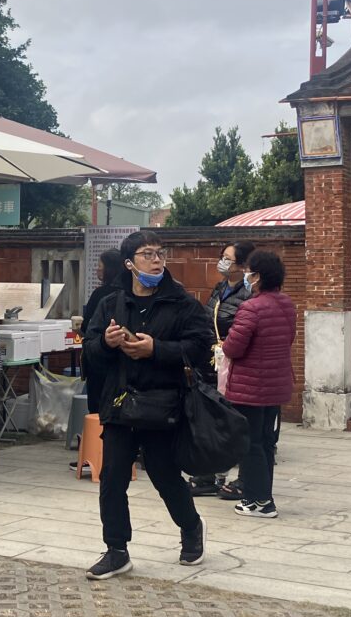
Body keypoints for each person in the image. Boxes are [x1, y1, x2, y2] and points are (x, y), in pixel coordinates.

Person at [82, 230, 213, 580]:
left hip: (162, 404)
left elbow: (201, 347)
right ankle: (116, 550)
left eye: (160, 253)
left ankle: (191, 526)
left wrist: (157, 349)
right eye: (147, 254)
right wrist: (106, 343)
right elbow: (90, 352)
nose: (156, 260)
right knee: (112, 478)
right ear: (129, 263)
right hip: (120, 403)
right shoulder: (111, 303)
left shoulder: (181, 303)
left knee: (164, 475)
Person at [220, 250, 297, 519]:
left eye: (249, 272)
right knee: (265, 442)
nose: (246, 276)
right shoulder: (287, 304)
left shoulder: (251, 307)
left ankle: (259, 500)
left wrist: (224, 344)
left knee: (250, 444)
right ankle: (262, 497)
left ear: (258, 276)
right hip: (276, 384)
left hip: (250, 387)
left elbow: (233, 347)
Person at [190, 241, 255, 498]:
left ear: (243, 265)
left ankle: (243, 478)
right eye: (222, 257)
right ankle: (209, 474)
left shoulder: (249, 294)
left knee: (237, 420)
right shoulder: (219, 289)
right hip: (213, 362)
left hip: (236, 364)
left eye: (228, 259)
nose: (223, 262)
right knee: (212, 418)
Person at [80, 248, 124, 419]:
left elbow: (86, 326)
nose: (97, 270)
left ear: (109, 269)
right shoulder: (128, 292)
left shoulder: (101, 294)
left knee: (98, 411)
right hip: (121, 364)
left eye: (100, 266)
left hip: (100, 362)